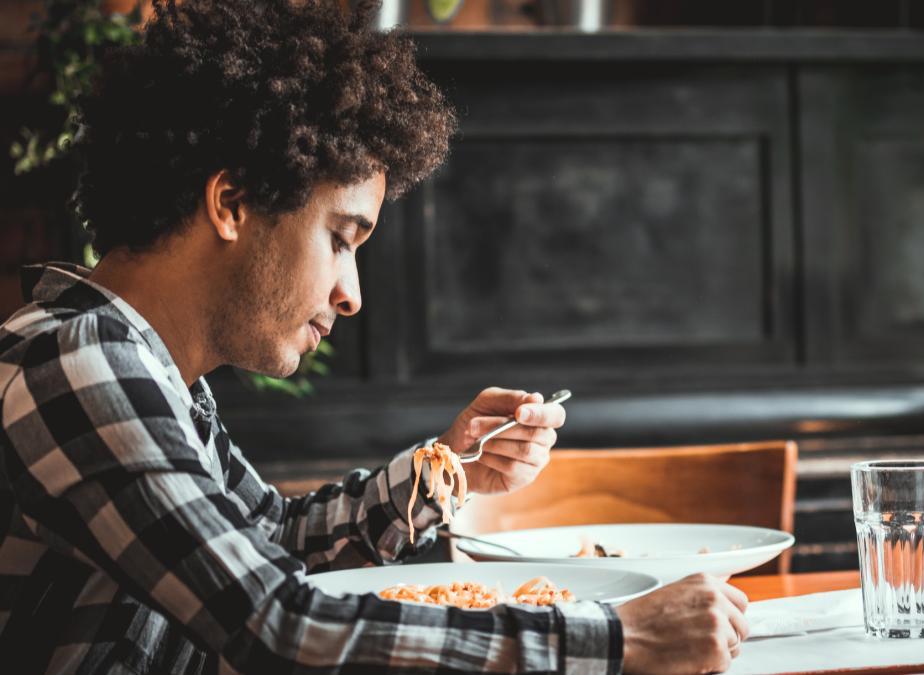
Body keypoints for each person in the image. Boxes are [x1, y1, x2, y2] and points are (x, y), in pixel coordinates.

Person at [0, 1, 749, 673]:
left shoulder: (148, 370)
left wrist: (446, 471)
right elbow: (277, 621)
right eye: (341, 237)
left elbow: (272, 540)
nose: (351, 295)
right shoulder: (75, 361)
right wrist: (614, 639)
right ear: (230, 203)